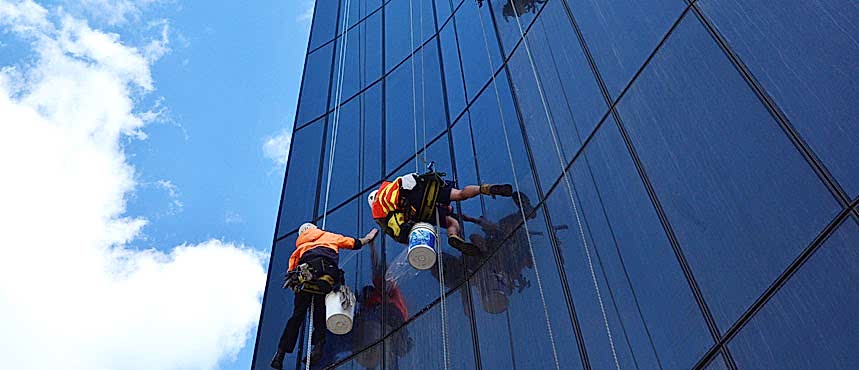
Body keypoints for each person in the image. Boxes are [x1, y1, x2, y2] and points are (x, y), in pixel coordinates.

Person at [271, 223, 378, 369]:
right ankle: (318, 348)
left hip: (305, 278)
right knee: (320, 315)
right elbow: (354, 243)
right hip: (326, 274)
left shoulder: (298, 249)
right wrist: (368, 238)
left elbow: (291, 273)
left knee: (297, 316)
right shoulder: (329, 236)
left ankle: (280, 354)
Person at [367, 171, 513, 256]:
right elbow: (412, 178)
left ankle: (454, 236)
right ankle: (486, 189)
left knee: (452, 223)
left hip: (417, 213)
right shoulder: (390, 187)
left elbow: (399, 235)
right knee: (460, 194)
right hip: (423, 194)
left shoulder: (381, 213)